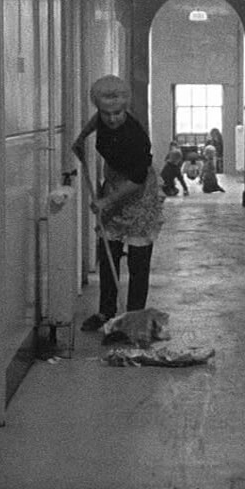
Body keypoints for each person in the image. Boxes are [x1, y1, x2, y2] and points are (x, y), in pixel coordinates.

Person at [72, 75, 164, 332]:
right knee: (108, 253)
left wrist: (106, 201)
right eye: (106, 113)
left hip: (139, 194)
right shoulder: (102, 118)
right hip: (113, 184)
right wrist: (82, 137)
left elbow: (137, 180)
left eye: (117, 113)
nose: (112, 119)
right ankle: (106, 312)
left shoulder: (136, 137)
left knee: (138, 261)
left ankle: (134, 318)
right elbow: (96, 121)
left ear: (125, 108)